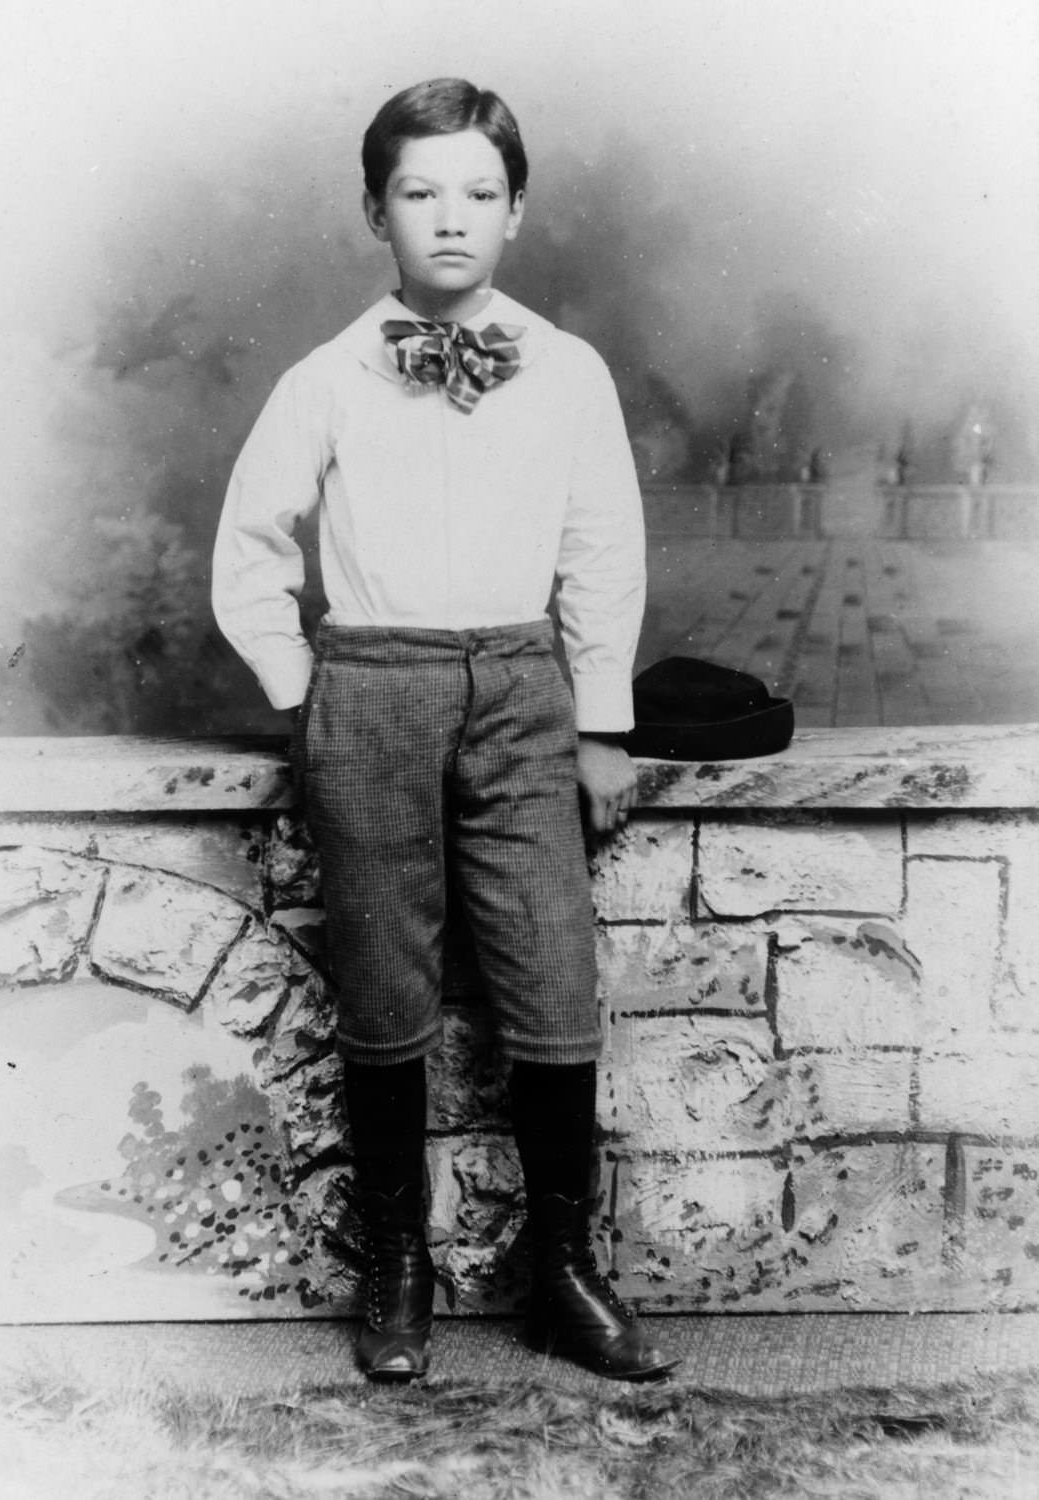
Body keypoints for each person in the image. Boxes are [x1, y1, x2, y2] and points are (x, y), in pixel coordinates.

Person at [212, 77, 673, 1384]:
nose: (451, 217)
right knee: (381, 988)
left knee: (552, 983)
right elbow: (251, 545)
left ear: (517, 210)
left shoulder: (567, 370)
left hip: (523, 693)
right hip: (371, 692)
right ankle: (397, 1269)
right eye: (419, 192)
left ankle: (563, 1274)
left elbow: (602, 550)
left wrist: (600, 722)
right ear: (377, 212)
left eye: (479, 191)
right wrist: (303, 691)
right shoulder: (326, 378)